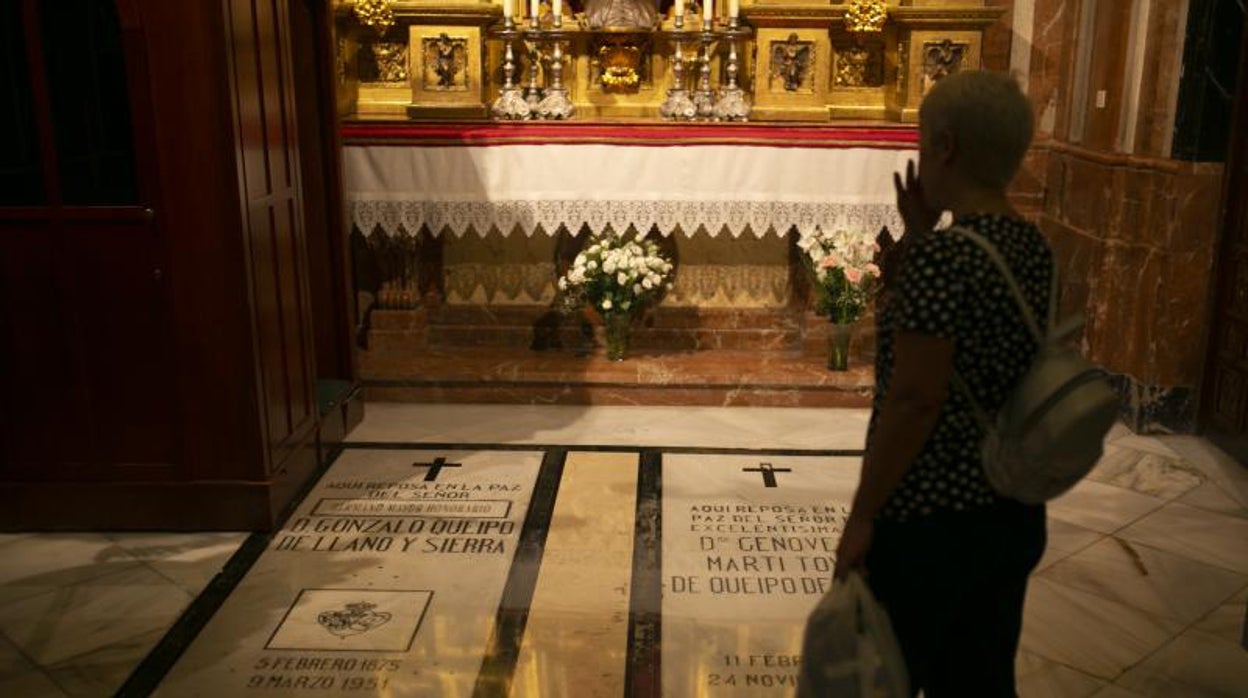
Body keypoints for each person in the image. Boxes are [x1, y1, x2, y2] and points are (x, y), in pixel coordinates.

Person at [832, 70, 1050, 696]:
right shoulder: (1031, 246)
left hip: (932, 516)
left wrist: (861, 516)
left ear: (946, 147)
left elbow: (916, 399)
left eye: (924, 141)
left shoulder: (943, 259)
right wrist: (921, 236)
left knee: (889, 678)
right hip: (1009, 506)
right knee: (979, 679)